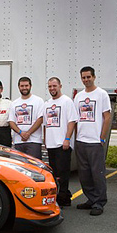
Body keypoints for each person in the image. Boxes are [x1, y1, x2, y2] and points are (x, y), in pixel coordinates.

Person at [74, 66, 111, 216]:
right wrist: (75, 138)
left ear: (94, 77)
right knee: (84, 174)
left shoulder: (101, 94)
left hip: (95, 142)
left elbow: (107, 117)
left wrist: (102, 137)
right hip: (81, 141)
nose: (86, 80)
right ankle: (91, 199)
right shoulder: (78, 96)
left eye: (88, 77)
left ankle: (99, 202)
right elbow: (75, 119)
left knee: (97, 173)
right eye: (83, 77)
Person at [43, 77, 78, 206]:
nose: (52, 89)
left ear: (60, 86)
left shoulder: (67, 102)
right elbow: (46, 125)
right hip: (51, 144)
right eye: (50, 86)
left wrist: (67, 139)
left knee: (63, 174)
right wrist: (46, 141)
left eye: (54, 86)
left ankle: (63, 199)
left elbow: (72, 121)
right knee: (55, 174)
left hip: (62, 144)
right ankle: (62, 195)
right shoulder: (47, 104)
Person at [8, 77, 44, 159]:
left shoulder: (38, 101)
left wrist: (28, 133)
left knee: (34, 167)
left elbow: (40, 119)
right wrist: (21, 133)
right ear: (19, 87)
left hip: (34, 141)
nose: (24, 88)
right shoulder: (14, 103)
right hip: (18, 141)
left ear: (30, 86)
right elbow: (11, 122)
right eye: (22, 86)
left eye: (26, 85)